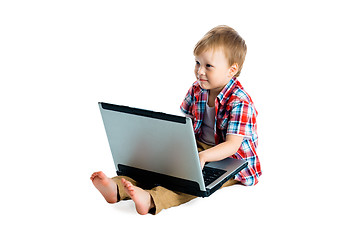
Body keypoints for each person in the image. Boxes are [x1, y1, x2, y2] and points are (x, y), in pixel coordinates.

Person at [90, 25, 262, 215]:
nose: (200, 71)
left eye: (208, 66)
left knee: (191, 182)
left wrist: (203, 157)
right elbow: (184, 124)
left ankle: (151, 199)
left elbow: (232, 146)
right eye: (197, 63)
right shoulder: (197, 89)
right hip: (199, 147)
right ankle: (116, 188)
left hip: (231, 160)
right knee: (161, 167)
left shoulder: (240, 101)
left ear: (231, 70)